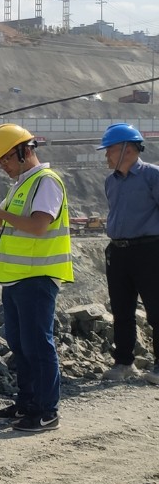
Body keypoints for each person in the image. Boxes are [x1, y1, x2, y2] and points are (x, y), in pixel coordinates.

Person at [0, 122, 73, 432]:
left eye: (5, 158)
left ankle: (47, 411)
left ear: (23, 151)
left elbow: (38, 226)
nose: (3, 166)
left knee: (38, 347)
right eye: (0, 161)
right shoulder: (22, 185)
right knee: (21, 345)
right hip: (16, 278)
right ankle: (27, 404)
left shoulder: (46, 182)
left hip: (38, 276)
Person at [96, 123, 159, 385]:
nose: (106, 155)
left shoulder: (152, 175)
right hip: (119, 252)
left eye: (109, 149)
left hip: (149, 250)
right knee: (121, 310)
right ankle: (123, 363)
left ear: (127, 150)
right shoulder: (110, 182)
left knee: (156, 308)